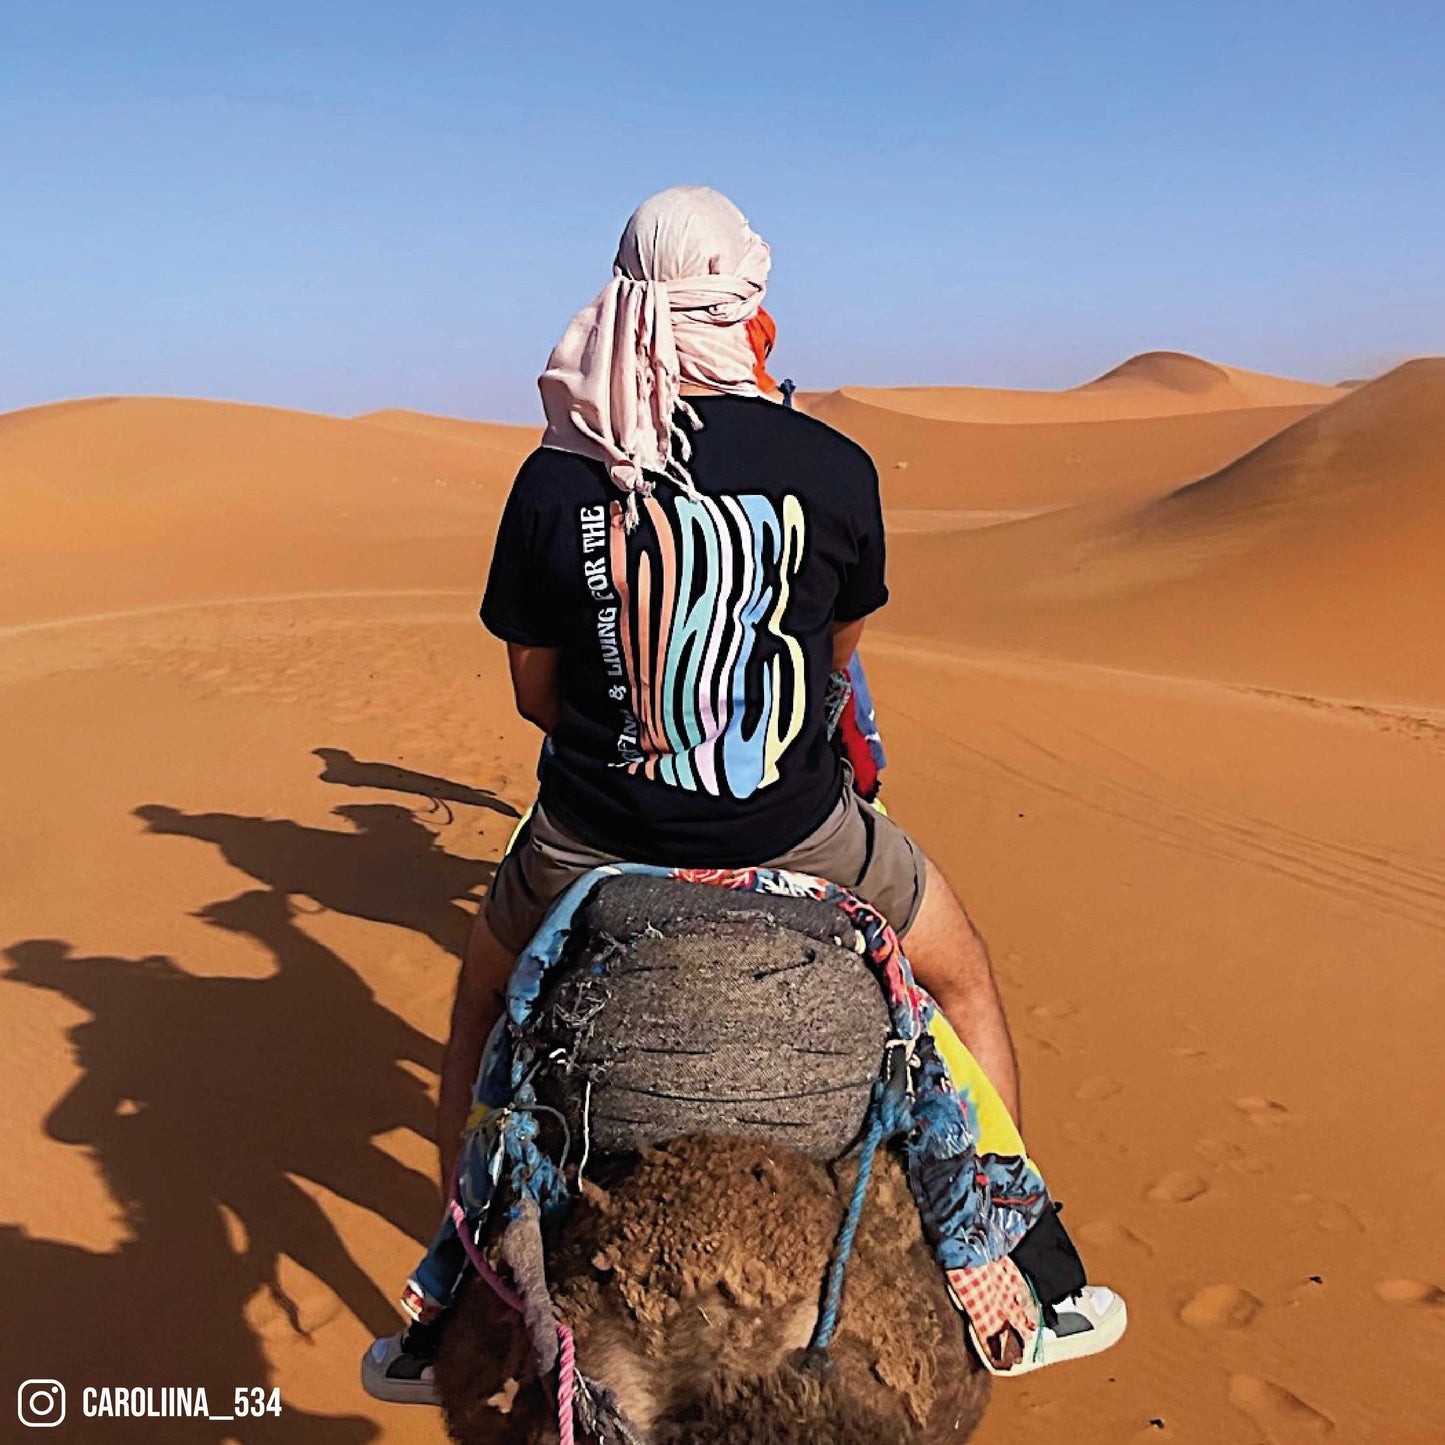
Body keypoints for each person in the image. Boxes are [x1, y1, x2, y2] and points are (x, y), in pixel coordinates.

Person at [363, 186, 1125, 1402]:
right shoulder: (832, 464)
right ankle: (1026, 1257)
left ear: (622, 302)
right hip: (804, 833)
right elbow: (834, 662)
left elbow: (531, 695)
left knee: (475, 1007)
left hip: (589, 839)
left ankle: (455, 1278)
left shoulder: (556, 480)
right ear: (750, 306)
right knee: (960, 973)